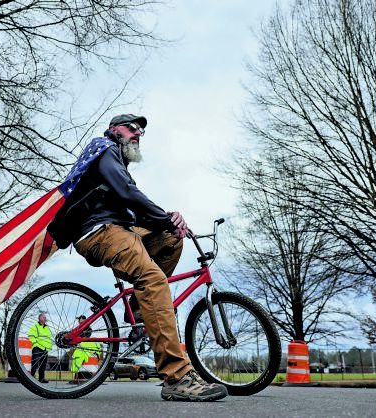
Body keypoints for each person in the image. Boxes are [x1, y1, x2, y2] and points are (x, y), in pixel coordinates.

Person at [47, 114, 227, 401]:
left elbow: (135, 209)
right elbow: (129, 194)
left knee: (171, 239)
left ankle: (140, 307)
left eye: (141, 131)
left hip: (119, 229)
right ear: (114, 130)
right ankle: (176, 378)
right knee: (154, 279)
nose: (138, 133)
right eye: (132, 128)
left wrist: (170, 221)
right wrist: (163, 217)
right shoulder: (104, 149)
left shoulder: (116, 162)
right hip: (99, 231)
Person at [70, 315, 102, 380]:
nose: (79, 321)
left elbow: (86, 337)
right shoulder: (77, 328)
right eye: (79, 320)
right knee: (77, 360)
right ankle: (76, 376)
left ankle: (80, 376)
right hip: (79, 347)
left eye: (80, 320)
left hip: (84, 346)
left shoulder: (88, 329)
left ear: (84, 320)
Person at [28, 312, 52, 383]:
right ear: (39, 318)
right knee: (35, 363)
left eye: (45, 317)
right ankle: (31, 378)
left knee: (43, 365)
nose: (45, 318)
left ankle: (41, 379)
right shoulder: (35, 326)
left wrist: (49, 346)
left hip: (45, 348)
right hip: (37, 348)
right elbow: (31, 336)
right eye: (43, 317)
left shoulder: (47, 327)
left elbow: (48, 337)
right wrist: (35, 343)